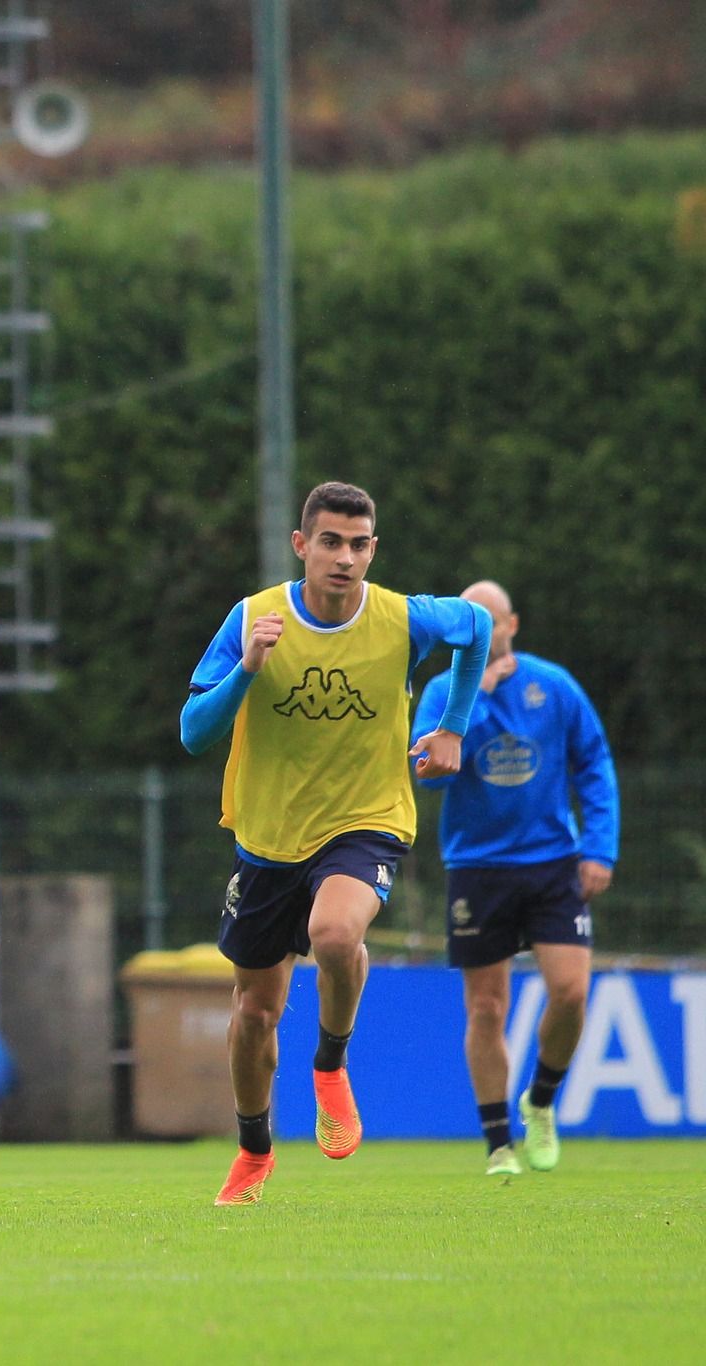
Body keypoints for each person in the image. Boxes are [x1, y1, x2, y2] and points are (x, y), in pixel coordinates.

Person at [180, 481, 491, 1206]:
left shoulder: (403, 619)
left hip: (366, 817)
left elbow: (475, 627)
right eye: (330, 542)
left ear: (372, 550)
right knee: (255, 1012)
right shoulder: (254, 617)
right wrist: (249, 670)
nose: (344, 558)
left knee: (334, 931)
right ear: (302, 546)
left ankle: (330, 1062)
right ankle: (254, 1153)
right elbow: (195, 733)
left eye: (358, 545)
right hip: (267, 837)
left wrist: (452, 726)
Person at [412, 581, 618, 1176]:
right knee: (485, 1009)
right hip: (477, 868)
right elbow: (429, 773)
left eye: (491, 622)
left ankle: (542, 1101)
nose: (480, 632)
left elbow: (594, 763)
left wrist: (599, 848)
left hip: (553, 862)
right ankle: (499, 1143)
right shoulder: (445, 692)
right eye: (469, 622)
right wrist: (469, 700)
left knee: (572, 993)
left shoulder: (552, 685)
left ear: (513, 625)